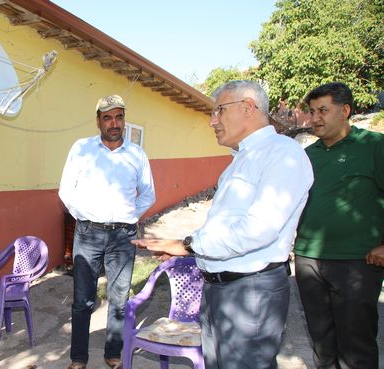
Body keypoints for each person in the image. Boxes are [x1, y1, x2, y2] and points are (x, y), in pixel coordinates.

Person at [133, 80, 314, 369]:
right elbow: (223, 225)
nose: (211, 121)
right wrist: (191, 250)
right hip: (220, 290)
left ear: (248, 107)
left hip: (249, 293)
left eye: (219, 111)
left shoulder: (282, 154)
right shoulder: (240, 160)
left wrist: (188, 245)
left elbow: (257, 230)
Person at [58, 94, 156, 369]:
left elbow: (148, 194)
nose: (114, 123)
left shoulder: (136, 154)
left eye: (119, 117)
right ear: (98, 121)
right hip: (88, 234)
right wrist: (85, 219)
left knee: (119, 298)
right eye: (108, 117)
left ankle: (113, 353)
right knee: (82, 300)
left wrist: (129, 217)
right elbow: (66, 192)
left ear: (124, 120)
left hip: (123, 238)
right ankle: (78, 357)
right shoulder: (81, 149)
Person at [294, 82, 384, 369]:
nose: (314, 118)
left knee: (356, 344)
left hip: (358, 261)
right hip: (309, 259)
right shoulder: (308, 156)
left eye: (323, 110)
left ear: (345, 111)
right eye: (311, 111)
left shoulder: (374, 147)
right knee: (322, 341)